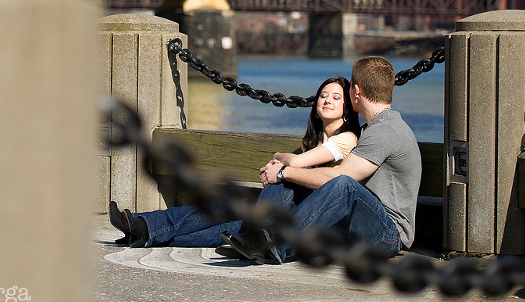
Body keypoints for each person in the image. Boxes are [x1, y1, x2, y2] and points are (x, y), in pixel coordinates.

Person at [108, 76, 361, 250]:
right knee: (220, 210)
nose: (327, 101)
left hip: (307, 218)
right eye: (323, 96)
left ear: (347, 108)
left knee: (232, 224)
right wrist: (280, 165)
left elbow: (293, 162)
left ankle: (147, 231)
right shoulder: (314, 142)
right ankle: (145, 227)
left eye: (336, 98)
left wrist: (279, 164)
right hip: (283, 210)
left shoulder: (347, 139)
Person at [223, 55, 422, 263]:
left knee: (344, 185)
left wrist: (284, 171)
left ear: (357, 91)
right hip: (353, 225)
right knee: (283, 183)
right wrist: (282, 175)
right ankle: (259, 238)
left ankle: (274, 244)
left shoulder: (385, 130)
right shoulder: (371, 129)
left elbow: (341, 178)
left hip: (387, 234)